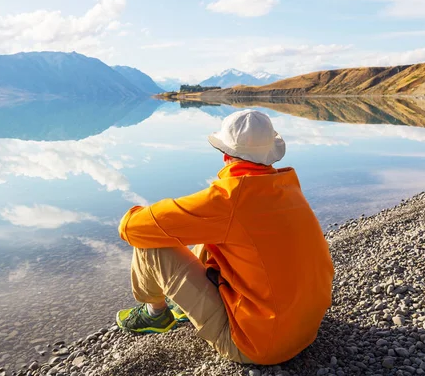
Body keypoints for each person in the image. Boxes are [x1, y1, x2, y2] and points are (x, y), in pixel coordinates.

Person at [115, 109, 334, 365]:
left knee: (149, 244)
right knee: (214, 234)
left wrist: (154, 214)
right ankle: (190, 306)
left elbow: (130, 228)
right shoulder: (286, 187)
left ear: (226, 155)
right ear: (269, 155)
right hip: (306, 328)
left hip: (259, 345)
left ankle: (155, 314)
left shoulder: (228, 199)